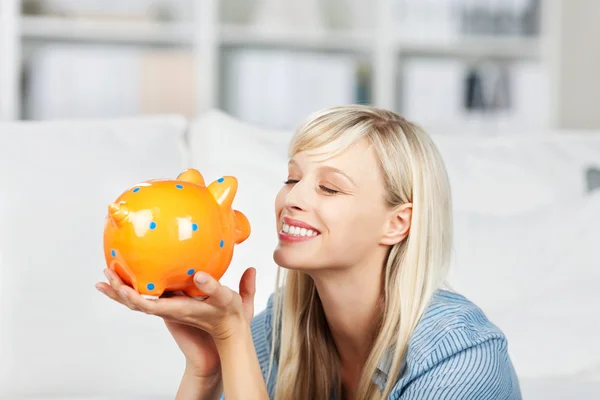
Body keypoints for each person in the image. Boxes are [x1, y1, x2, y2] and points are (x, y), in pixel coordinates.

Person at [96, 105, 522, 400]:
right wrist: (207, 367)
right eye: (292, 179)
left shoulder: (461, 355)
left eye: (330, 187)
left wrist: (231, 335)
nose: (292, 199)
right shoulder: (277, 331)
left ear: (398, 223)